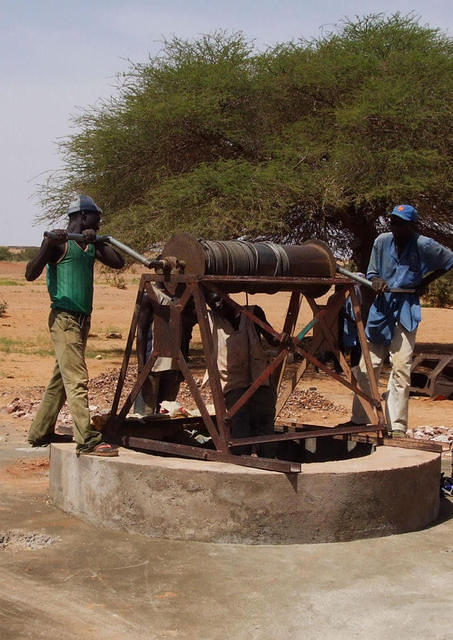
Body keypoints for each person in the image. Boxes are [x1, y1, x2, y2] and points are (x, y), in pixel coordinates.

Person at [26, 195, 124, 456]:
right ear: (82, 216)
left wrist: (97, 242)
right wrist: (46, 245)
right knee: (77, 379)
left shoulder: (88, 244)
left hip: (82, 321)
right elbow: (29, 273)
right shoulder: (59, 245)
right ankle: (87, 439)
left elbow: (118, 262)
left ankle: (39, 432)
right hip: (64, 319)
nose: (99, 222)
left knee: (61, 379)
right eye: (96, 218)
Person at [350, 204, 453, 437]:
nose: (395, 227)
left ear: (411, 226)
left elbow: (448, 261)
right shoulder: (381, 241)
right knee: (369, 364)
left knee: (401, 366)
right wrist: (376, 280)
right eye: (393, 222)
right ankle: (360, 419)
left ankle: (396, 425)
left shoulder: (424, 245)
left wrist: (424, 282)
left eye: (401, 223)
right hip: (382, 307)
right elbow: (373, 272)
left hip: (406, 308)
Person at [205, 294, 279, 457]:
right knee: (239, 430)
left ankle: (269, 462)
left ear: (227, 295)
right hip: (233, 384)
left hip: (260, 380)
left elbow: (273, 339)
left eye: (219, 298)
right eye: (212, 302)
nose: (217, 305)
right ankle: (241, 465)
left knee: (265, 425)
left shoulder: (253, 313)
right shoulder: (209, 320)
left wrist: (283, 339)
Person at [133, 283, 195, 416]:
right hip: (153, 364)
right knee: (144, 415)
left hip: (174, 365)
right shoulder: (149, 296)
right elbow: (141, 333)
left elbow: (187, 332)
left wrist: (184, 364)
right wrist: (141, 366)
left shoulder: (184, 298)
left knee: (167, 412)